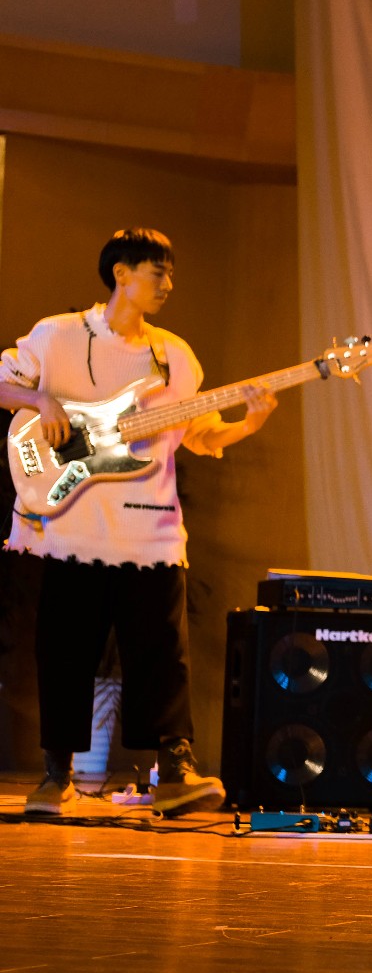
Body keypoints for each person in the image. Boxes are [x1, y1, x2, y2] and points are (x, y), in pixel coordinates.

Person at [0, 228, 278, 816]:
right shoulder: (57, 334)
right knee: (65, 648)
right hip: (73, 524)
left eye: (171, 273)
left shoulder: (174, 356)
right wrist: (42, 401)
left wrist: (247, 424)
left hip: (151, 530)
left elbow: (197, 434)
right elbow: (4, 384)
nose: (168, 284)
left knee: (162, 651)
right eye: (158, 271)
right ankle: (56, 774)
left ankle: (174, 770)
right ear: (121, 273)